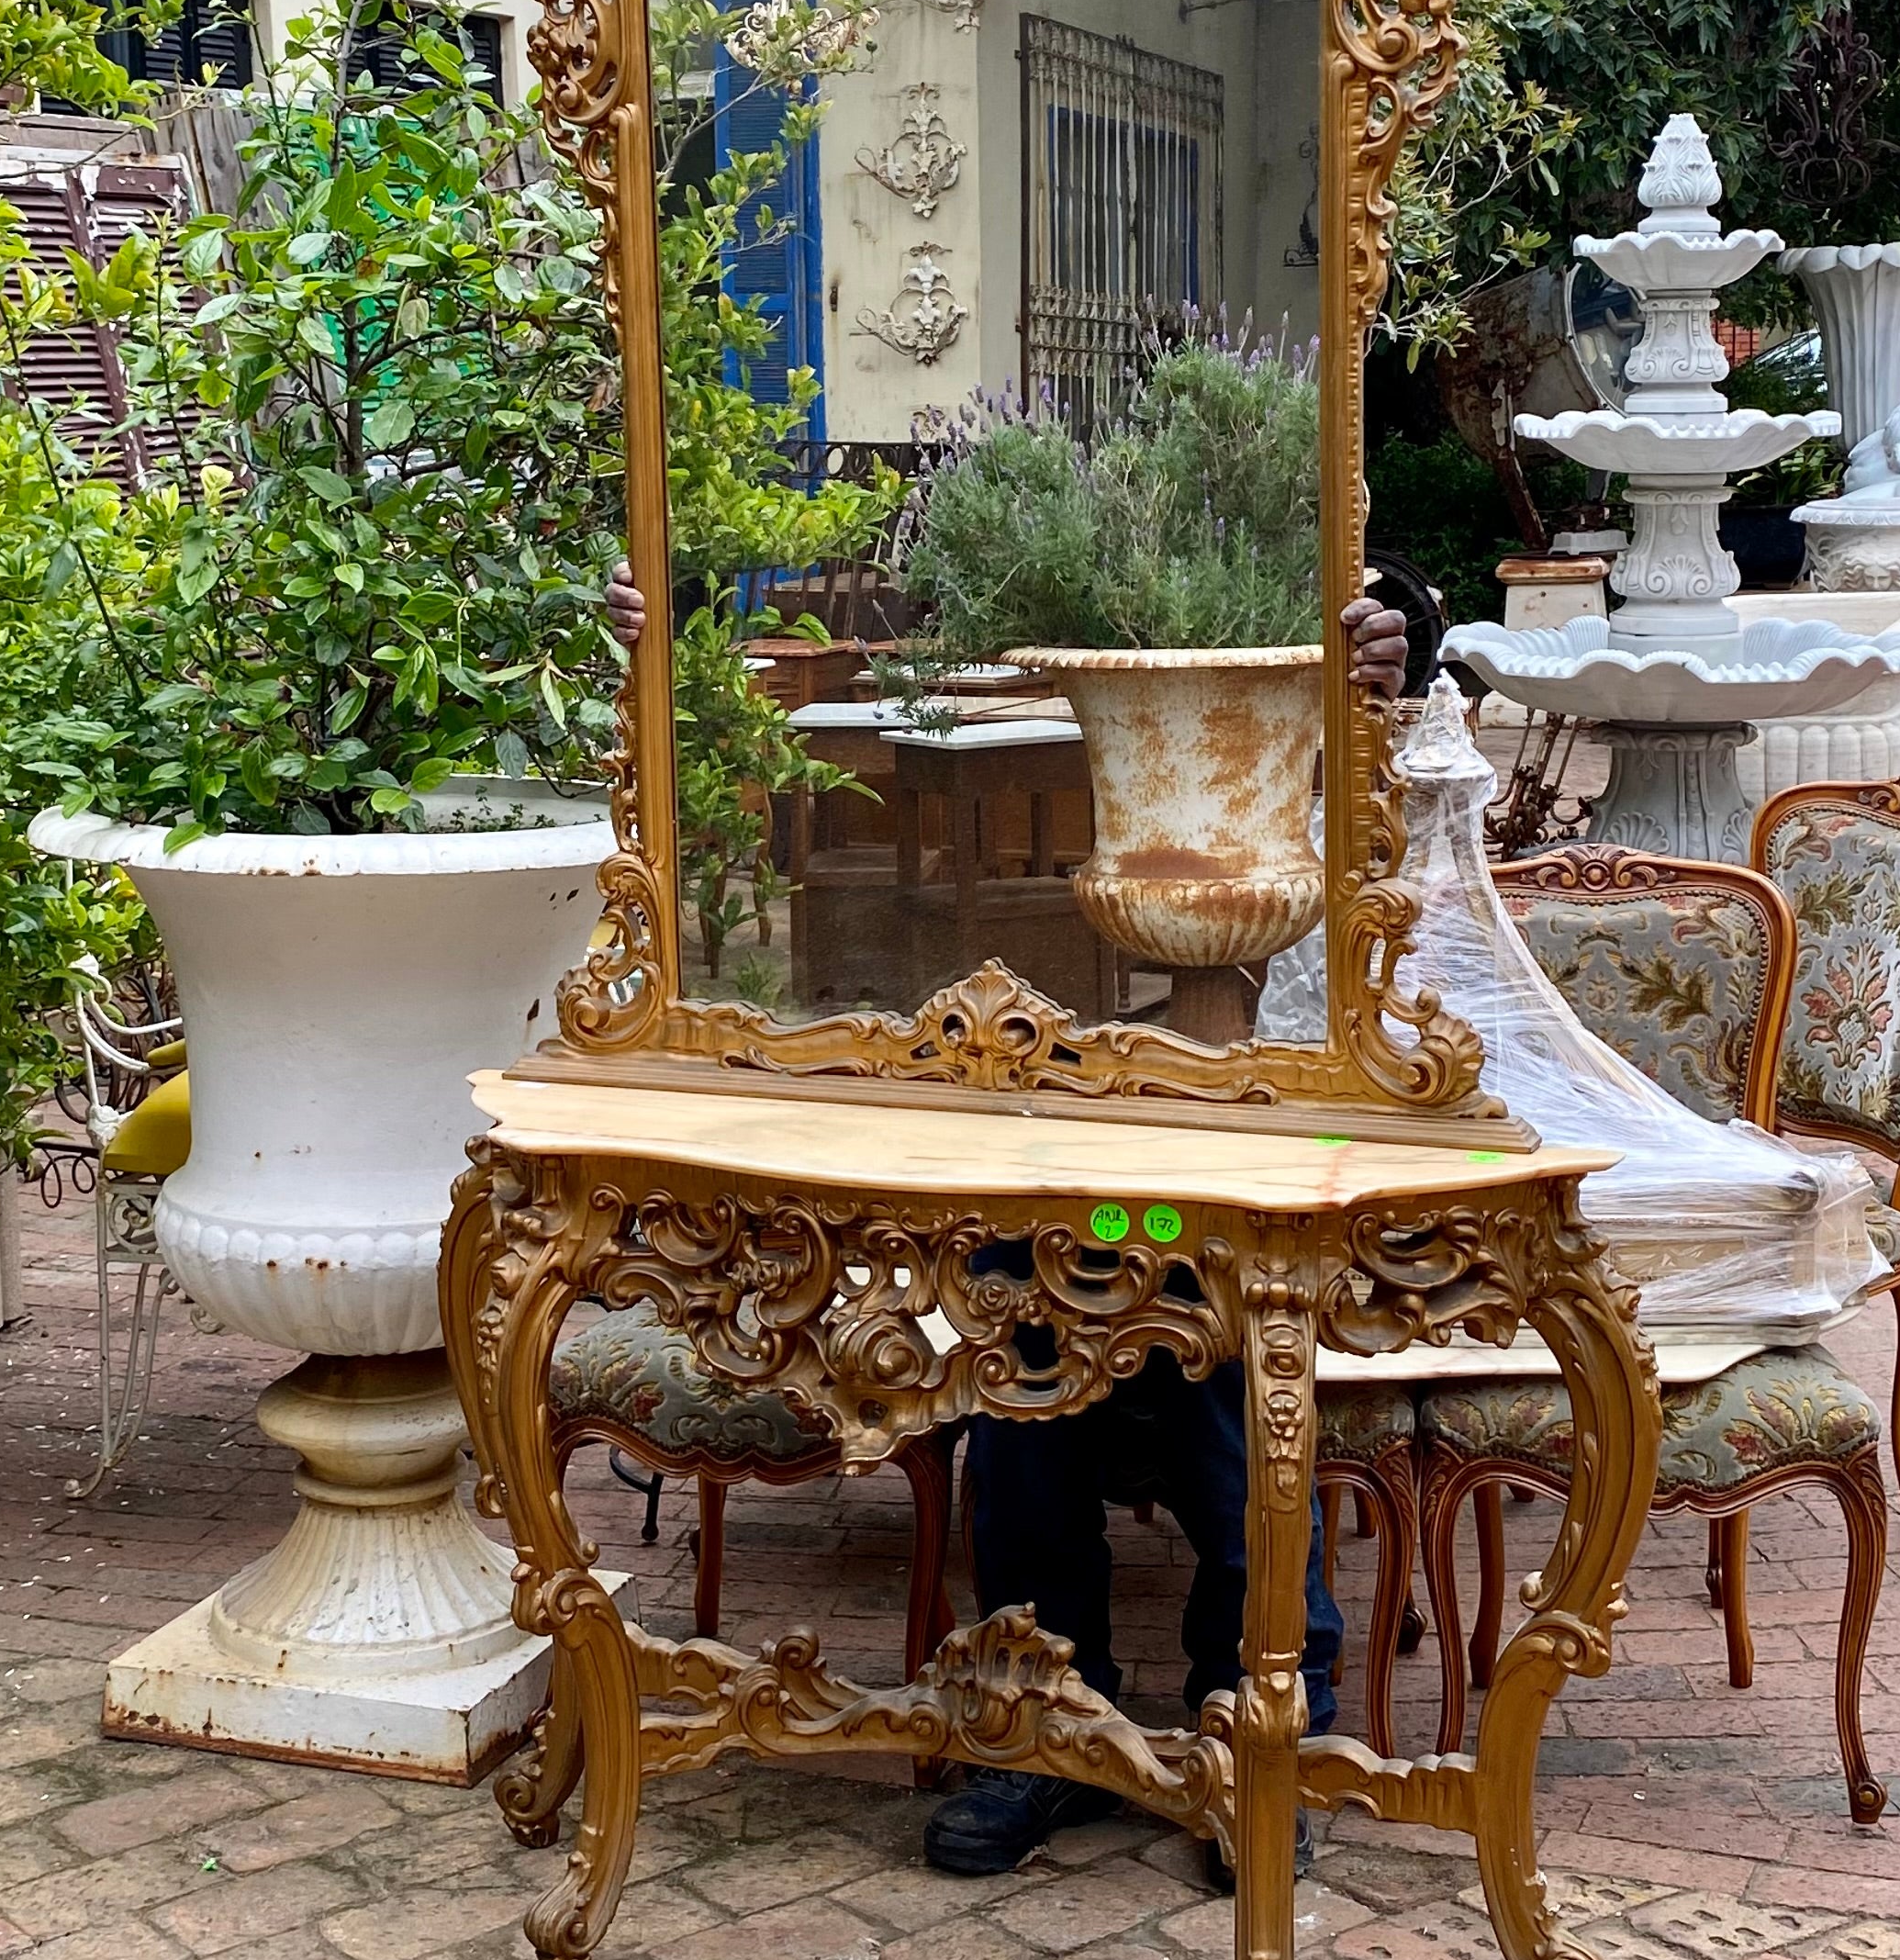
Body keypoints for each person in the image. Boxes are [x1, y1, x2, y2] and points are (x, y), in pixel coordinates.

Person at [604, 564, 1413, 1882]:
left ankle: (1258, 1733)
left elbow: (1394, 796)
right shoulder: (947, 670)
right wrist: (646, 647)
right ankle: (1044, 1717)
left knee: (1218, 1325)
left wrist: (1393, 663)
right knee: (1021, 1293)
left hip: (1248, 1123)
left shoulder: (1278, 609)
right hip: (1016, 1113)